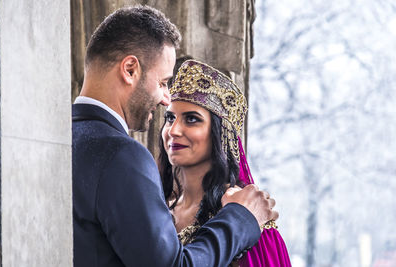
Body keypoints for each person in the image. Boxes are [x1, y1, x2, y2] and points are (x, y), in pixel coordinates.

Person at [72, 5, 279, 267]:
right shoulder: (122, 156)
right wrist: (241, 218)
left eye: (192, 119)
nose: (165, 99)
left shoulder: (60, 140)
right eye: (162, 83)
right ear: (130, 70)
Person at [159, 59, 292, 266]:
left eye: (191, 119)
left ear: (221, 135)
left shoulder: (250, 215)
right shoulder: (158, 208)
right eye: (170, 118)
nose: (173, 130)